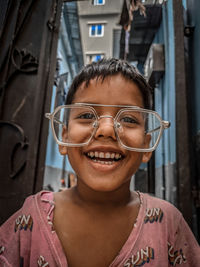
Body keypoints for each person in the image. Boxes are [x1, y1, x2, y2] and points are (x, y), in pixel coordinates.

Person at [0, 58, 199, 266]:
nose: (106, 131)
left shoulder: (167, 223)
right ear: (64, 138)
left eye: (129, 119)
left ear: (146, 146)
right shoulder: (31, 219)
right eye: (87, 115)